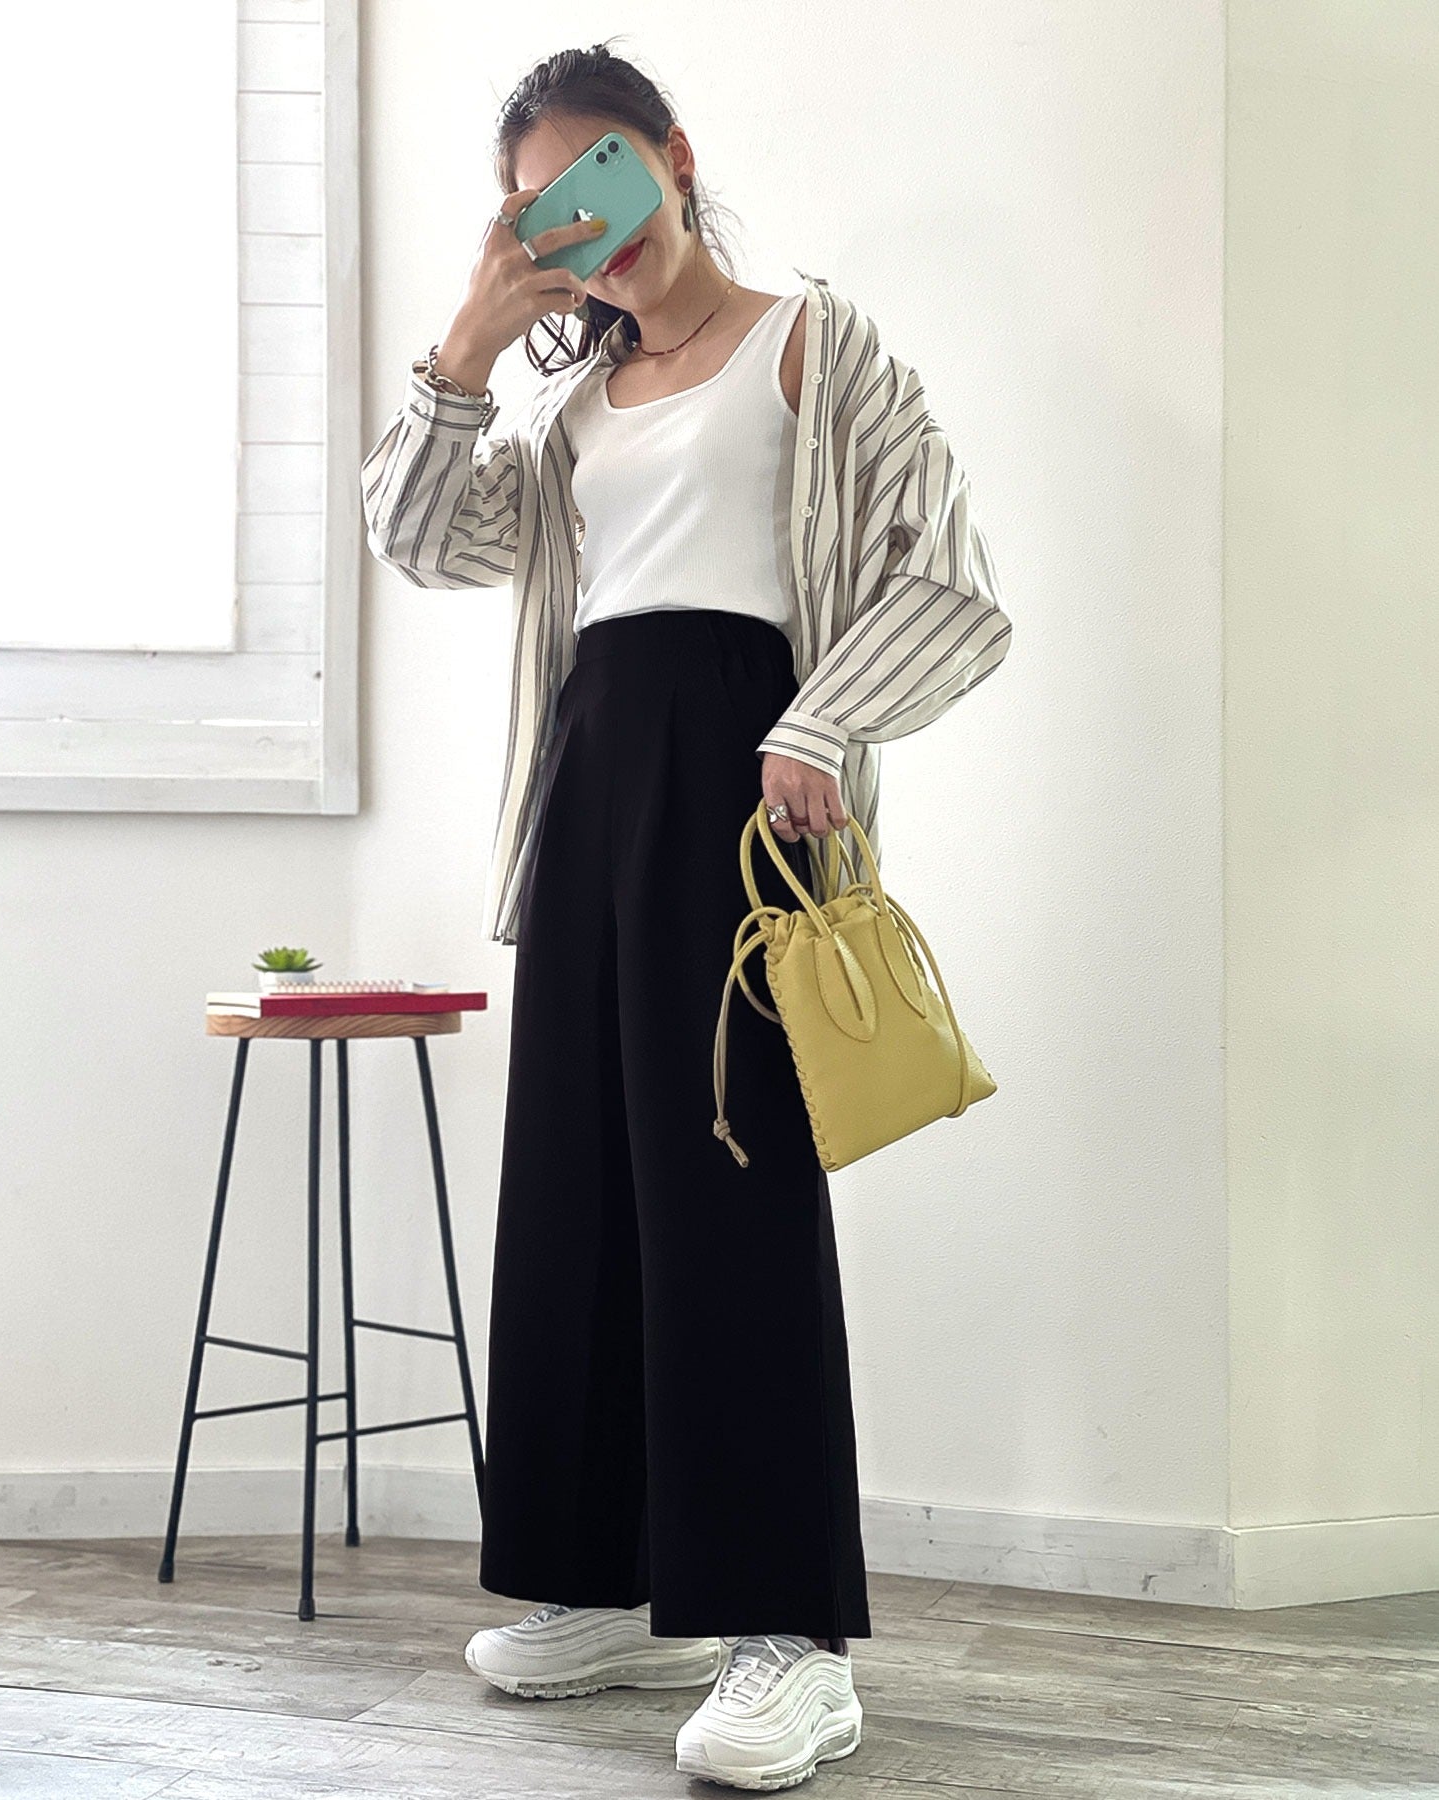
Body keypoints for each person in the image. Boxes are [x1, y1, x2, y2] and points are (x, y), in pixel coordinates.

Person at [360, 40, 1011, 1793]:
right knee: (576, 1191)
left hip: (745, 790)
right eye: (543, 209)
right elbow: (420, 539)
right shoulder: (570, 411)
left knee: (734, 1193)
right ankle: (596, 1580)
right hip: (587, 793)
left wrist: (819, 723)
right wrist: (470, 344)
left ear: (673, 154)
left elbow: (951, 576)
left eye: (604, 173)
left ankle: (788, 1640)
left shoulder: (819, 343)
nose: (588, 222)